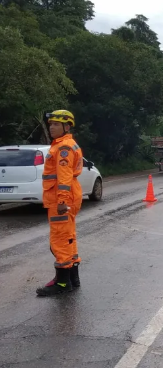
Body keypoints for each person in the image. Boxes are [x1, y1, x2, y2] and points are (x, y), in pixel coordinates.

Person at [36, 110, 84, 296]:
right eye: (51, 124)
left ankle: (63, 283)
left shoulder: (63, 148)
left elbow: (63, 176)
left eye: (56, 124)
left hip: (61, 199)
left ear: (67, 126)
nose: (52, 128)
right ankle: (73, 278)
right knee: (68, 237)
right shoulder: (64, 145)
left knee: (59, 240)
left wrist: (62, 201)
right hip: (67, 196)